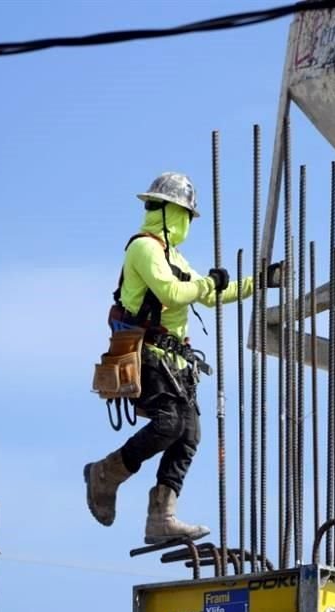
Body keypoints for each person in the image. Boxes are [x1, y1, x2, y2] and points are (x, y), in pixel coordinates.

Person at [84, 172, 281, 543]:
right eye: (184, 215)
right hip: (145, 353)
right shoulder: (143, 249)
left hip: (174, 362)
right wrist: (207, 283)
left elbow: (208, 296)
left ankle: (161, 516)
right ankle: (106, 472)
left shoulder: (173, 256)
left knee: (188, 434)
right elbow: (172, 292)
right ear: (166, 212)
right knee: (169, 424)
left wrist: (260, 281)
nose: (186, 222)